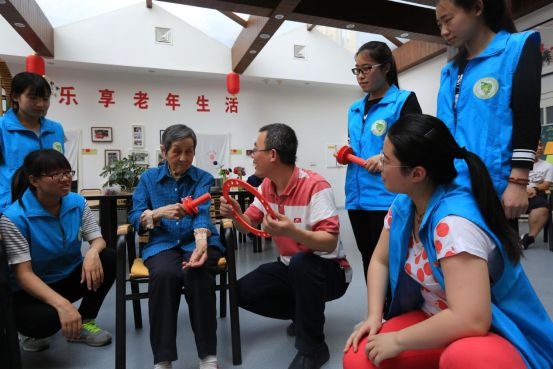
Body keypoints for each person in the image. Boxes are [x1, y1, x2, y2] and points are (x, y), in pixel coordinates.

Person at [342, 114, 553, 369]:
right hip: (437, 318)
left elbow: (471, 320)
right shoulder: (405, 205)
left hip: (490, 330)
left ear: (417, 173)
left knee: (460, 358)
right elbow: (380, 260)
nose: (377, 163)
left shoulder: (452, 226)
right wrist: (374, 316)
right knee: (359, 358)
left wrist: (398, 339)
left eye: (387, 160)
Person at [219, 123, 351, 369]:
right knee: (240, 291)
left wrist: (291, 231)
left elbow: (329, 240)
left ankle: (313, 348)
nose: (251, 156)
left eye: (254, 150)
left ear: (272, 155)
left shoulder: (315, 186)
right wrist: (237, 215)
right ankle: (303, 315)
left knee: (302, 262)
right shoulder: (266, 186)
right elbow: (247, 225)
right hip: (290, 267)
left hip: (329, 270)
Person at [128, 124, 224, 369]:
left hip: (199, 240)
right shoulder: (148, 179)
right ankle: (163, 359)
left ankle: (208, 357)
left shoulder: (202, 177)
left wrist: (201, 243)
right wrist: (158, 213)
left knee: (198, 272)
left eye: (189, 151)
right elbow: (134, 216)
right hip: (162, 243)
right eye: (177, 151)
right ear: (164, 151)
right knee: (163, 275)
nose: (183, 158)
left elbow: (202, 211)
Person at [436, 0, 541, 220]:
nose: (444, 31)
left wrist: (519, 181)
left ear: (477, 8)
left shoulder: (517, 47)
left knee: (496, 254)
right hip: (450, 187)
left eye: (448, 20)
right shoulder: (449, 71)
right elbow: (443, 130)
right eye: (439, 25)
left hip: (495, 187)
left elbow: (527, 119)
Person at [0, 149, 114, 352]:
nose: (65, 179)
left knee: (109, 257)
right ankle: (26, 332)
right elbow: (23, 274)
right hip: (31, 290)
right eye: (55, 174)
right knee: (47, 322)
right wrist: (64, 306)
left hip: (66, 277)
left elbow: (98, 239)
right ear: (34, 180)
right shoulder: (14, 218)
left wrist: (91, 253)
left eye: (67, 172)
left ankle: (85, 321)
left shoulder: (77, 202)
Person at [346, 41, 422, 279]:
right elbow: (358, 144)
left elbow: (415, 143)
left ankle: (395, 314)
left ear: (386, 67)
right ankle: (376, 315)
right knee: (369, 259)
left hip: (387, 198)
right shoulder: (355, 109)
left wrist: (383, 158)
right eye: (357, 70)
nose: (360, 76)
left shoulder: (404, 101)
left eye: (366, 68)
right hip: (356, 199)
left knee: (393, 262)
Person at [0, 72, 65, 211]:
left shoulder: (56, 129)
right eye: (33, 98)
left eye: (45, 98)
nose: (41, 104)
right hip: (12, 207)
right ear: (15, 97)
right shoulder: (2, 128)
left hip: (52, 205)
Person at [520, 140, 553, 249]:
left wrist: (534, 188)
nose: (540, 148)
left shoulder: (548, 166)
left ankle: (530, 238)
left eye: (541, 145)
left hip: (535, 195)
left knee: (543, 207)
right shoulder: (517, 165)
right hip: (518, 194)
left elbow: (546, 184)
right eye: (536, 145)